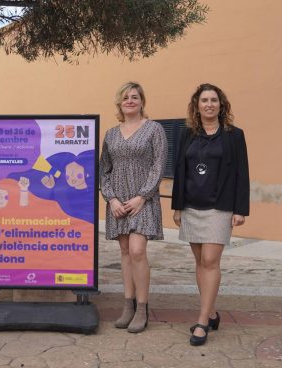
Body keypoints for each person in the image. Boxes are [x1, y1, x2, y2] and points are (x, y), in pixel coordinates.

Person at [171, 83, 249, 346]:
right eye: (204, 100)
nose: (209, 104)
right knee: (200, 262)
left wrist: (240, 209)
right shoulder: (186, 135)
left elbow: (242, 173)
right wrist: (177, 206)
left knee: (210, 261)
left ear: (221, 104)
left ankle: (202, 322)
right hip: (192, 206)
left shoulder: (234, 136)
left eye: (214, 100)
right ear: (197, 105)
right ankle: (213, 312)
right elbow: (179, 171)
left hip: (220, 207)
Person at [100, 82, 168, 333]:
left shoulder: (154, 129)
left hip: (143, 200)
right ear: (120, 103)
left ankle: (142, 308)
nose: (130, 100)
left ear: (142, 102)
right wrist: (112, 199)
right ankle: (127, 306)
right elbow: (104, 170)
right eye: (126, 97)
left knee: (138, 250)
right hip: (119, 202)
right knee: (126, 251)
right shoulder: (110, 134)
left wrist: (142, 196)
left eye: (135, 97)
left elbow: (158, 166)